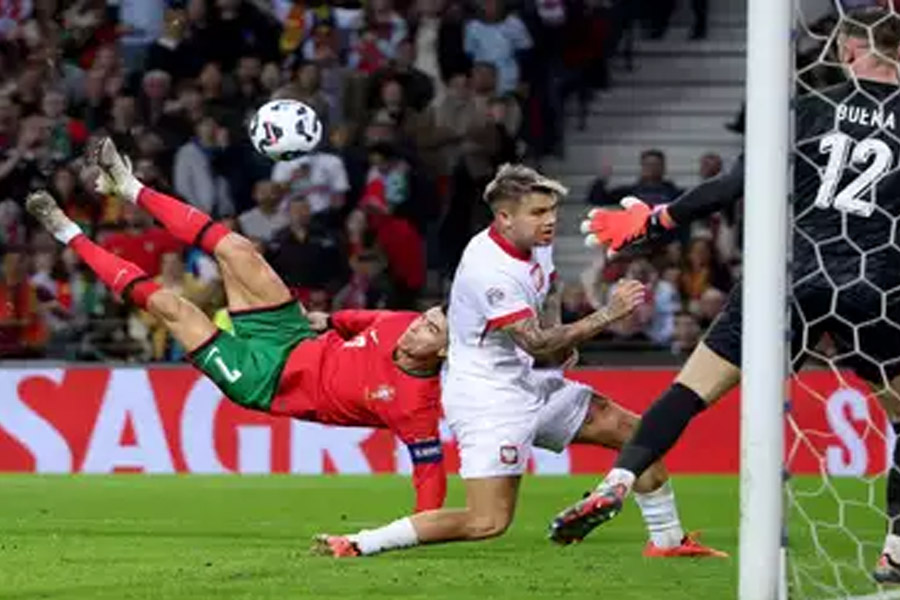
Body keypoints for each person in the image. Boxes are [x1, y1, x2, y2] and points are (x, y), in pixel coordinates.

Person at [558, 8, 900, 584]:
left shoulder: (809, 108)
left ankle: (617, 481)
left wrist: (659, 221)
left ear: (845, 50)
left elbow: (737, 183)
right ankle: (894, 547)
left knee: (688, 391)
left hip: (790, 275)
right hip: (877, 283)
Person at [313, 164, 725, 559]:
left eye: (552, 211)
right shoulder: (489, 270)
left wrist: (563, 337)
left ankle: (668, 541)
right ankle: (359, 542)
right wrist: (609, 313)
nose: (550, 221)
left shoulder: (534, 245)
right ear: (505, 218)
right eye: (539, 213)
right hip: (487, 399)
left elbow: (547, 298)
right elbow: (536, 344)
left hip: (521, 379)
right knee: (486, 521)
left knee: (637, 434)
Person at [26, 137, 448, 514]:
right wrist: (329, 319)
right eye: (425, 318)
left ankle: (67, 232)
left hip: (263, 380)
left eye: (430, 330)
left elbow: (430, 480)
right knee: (237, 248)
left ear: (445, 352)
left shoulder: (416, 408)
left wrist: (412, 534)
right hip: (293, 336)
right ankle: (130, 186)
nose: (417, 328)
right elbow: (365, 319)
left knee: (173, 307)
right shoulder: (404, 322)